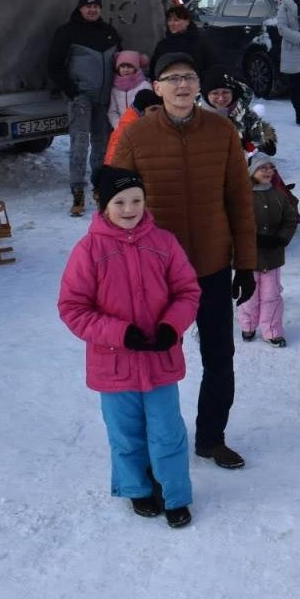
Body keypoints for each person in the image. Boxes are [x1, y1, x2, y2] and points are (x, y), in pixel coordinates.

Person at [107, 53, 258, 471]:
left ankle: (211, 437)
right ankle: (158, 443)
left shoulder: (221, 130)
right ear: (156, 87)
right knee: (153, 361)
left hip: (211, 264)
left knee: (219, 356)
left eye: (189, 77)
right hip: (156, 272)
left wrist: (245, 263)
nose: (182, 86)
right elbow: (115, 206)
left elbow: (239, 201)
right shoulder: (136, 138)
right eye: (172, 79)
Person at [57, 165, 200, 529]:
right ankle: (136, 488)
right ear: (103, 205)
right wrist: (119, 333)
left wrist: (172, 326)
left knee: (168, 431)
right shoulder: (88, 250)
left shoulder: (163, 242)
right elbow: (72, 308)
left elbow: (187, 291)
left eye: (136, 199)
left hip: (160, 360)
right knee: (125, 434)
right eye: (119, 201)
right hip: (114, 365)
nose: (128, 208)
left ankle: (175, 495)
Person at [48, 0, 121, 216]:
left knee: (101, 145)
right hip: (81, 98)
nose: (92, 10)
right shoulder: (67, 32)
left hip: (104, 98)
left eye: (96, 6)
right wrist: (72, 92)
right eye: (88, 6)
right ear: (80, 8)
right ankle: (77, 192)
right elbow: (54, 64)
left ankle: (99, 188)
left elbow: (120, 62)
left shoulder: (109, 32)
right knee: (79, 145)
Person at [240, 152, 299, 347]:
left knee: (271, 295)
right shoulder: (242, 196)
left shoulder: (279, 195)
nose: (267, 171)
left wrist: (281, 238)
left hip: (272, 257)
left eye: (270, 167)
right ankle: (247, 325)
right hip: (248, 259)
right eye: (262, 167)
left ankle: (272, 330)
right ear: (251, 171)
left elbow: (291, 219)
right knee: (249, 295)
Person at [198, 68, 276, 157]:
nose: (221, 98)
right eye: (215, 93)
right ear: (206, 95)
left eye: (225, 92)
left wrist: (261, 144)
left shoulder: (243, 114)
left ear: (233, 93)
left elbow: (260, 135)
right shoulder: (194, 115)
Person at [150, 4, 213, 78]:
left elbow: (210, 67)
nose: (172, 24)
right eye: (169, 20)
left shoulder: (199, 43)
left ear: (187, 22)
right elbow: (154, 69)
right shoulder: (162, 45)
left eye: (176, 20)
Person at [106, 51, 151, 130]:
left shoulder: (144, 85)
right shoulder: (115, 88)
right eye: (122, 66)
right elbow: (112, 111)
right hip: (122, 129)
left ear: (136, 68)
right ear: (118, 68)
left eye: (129, 66)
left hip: (141, 128)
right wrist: (120, 126)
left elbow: (150, 110)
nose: (126, 69)